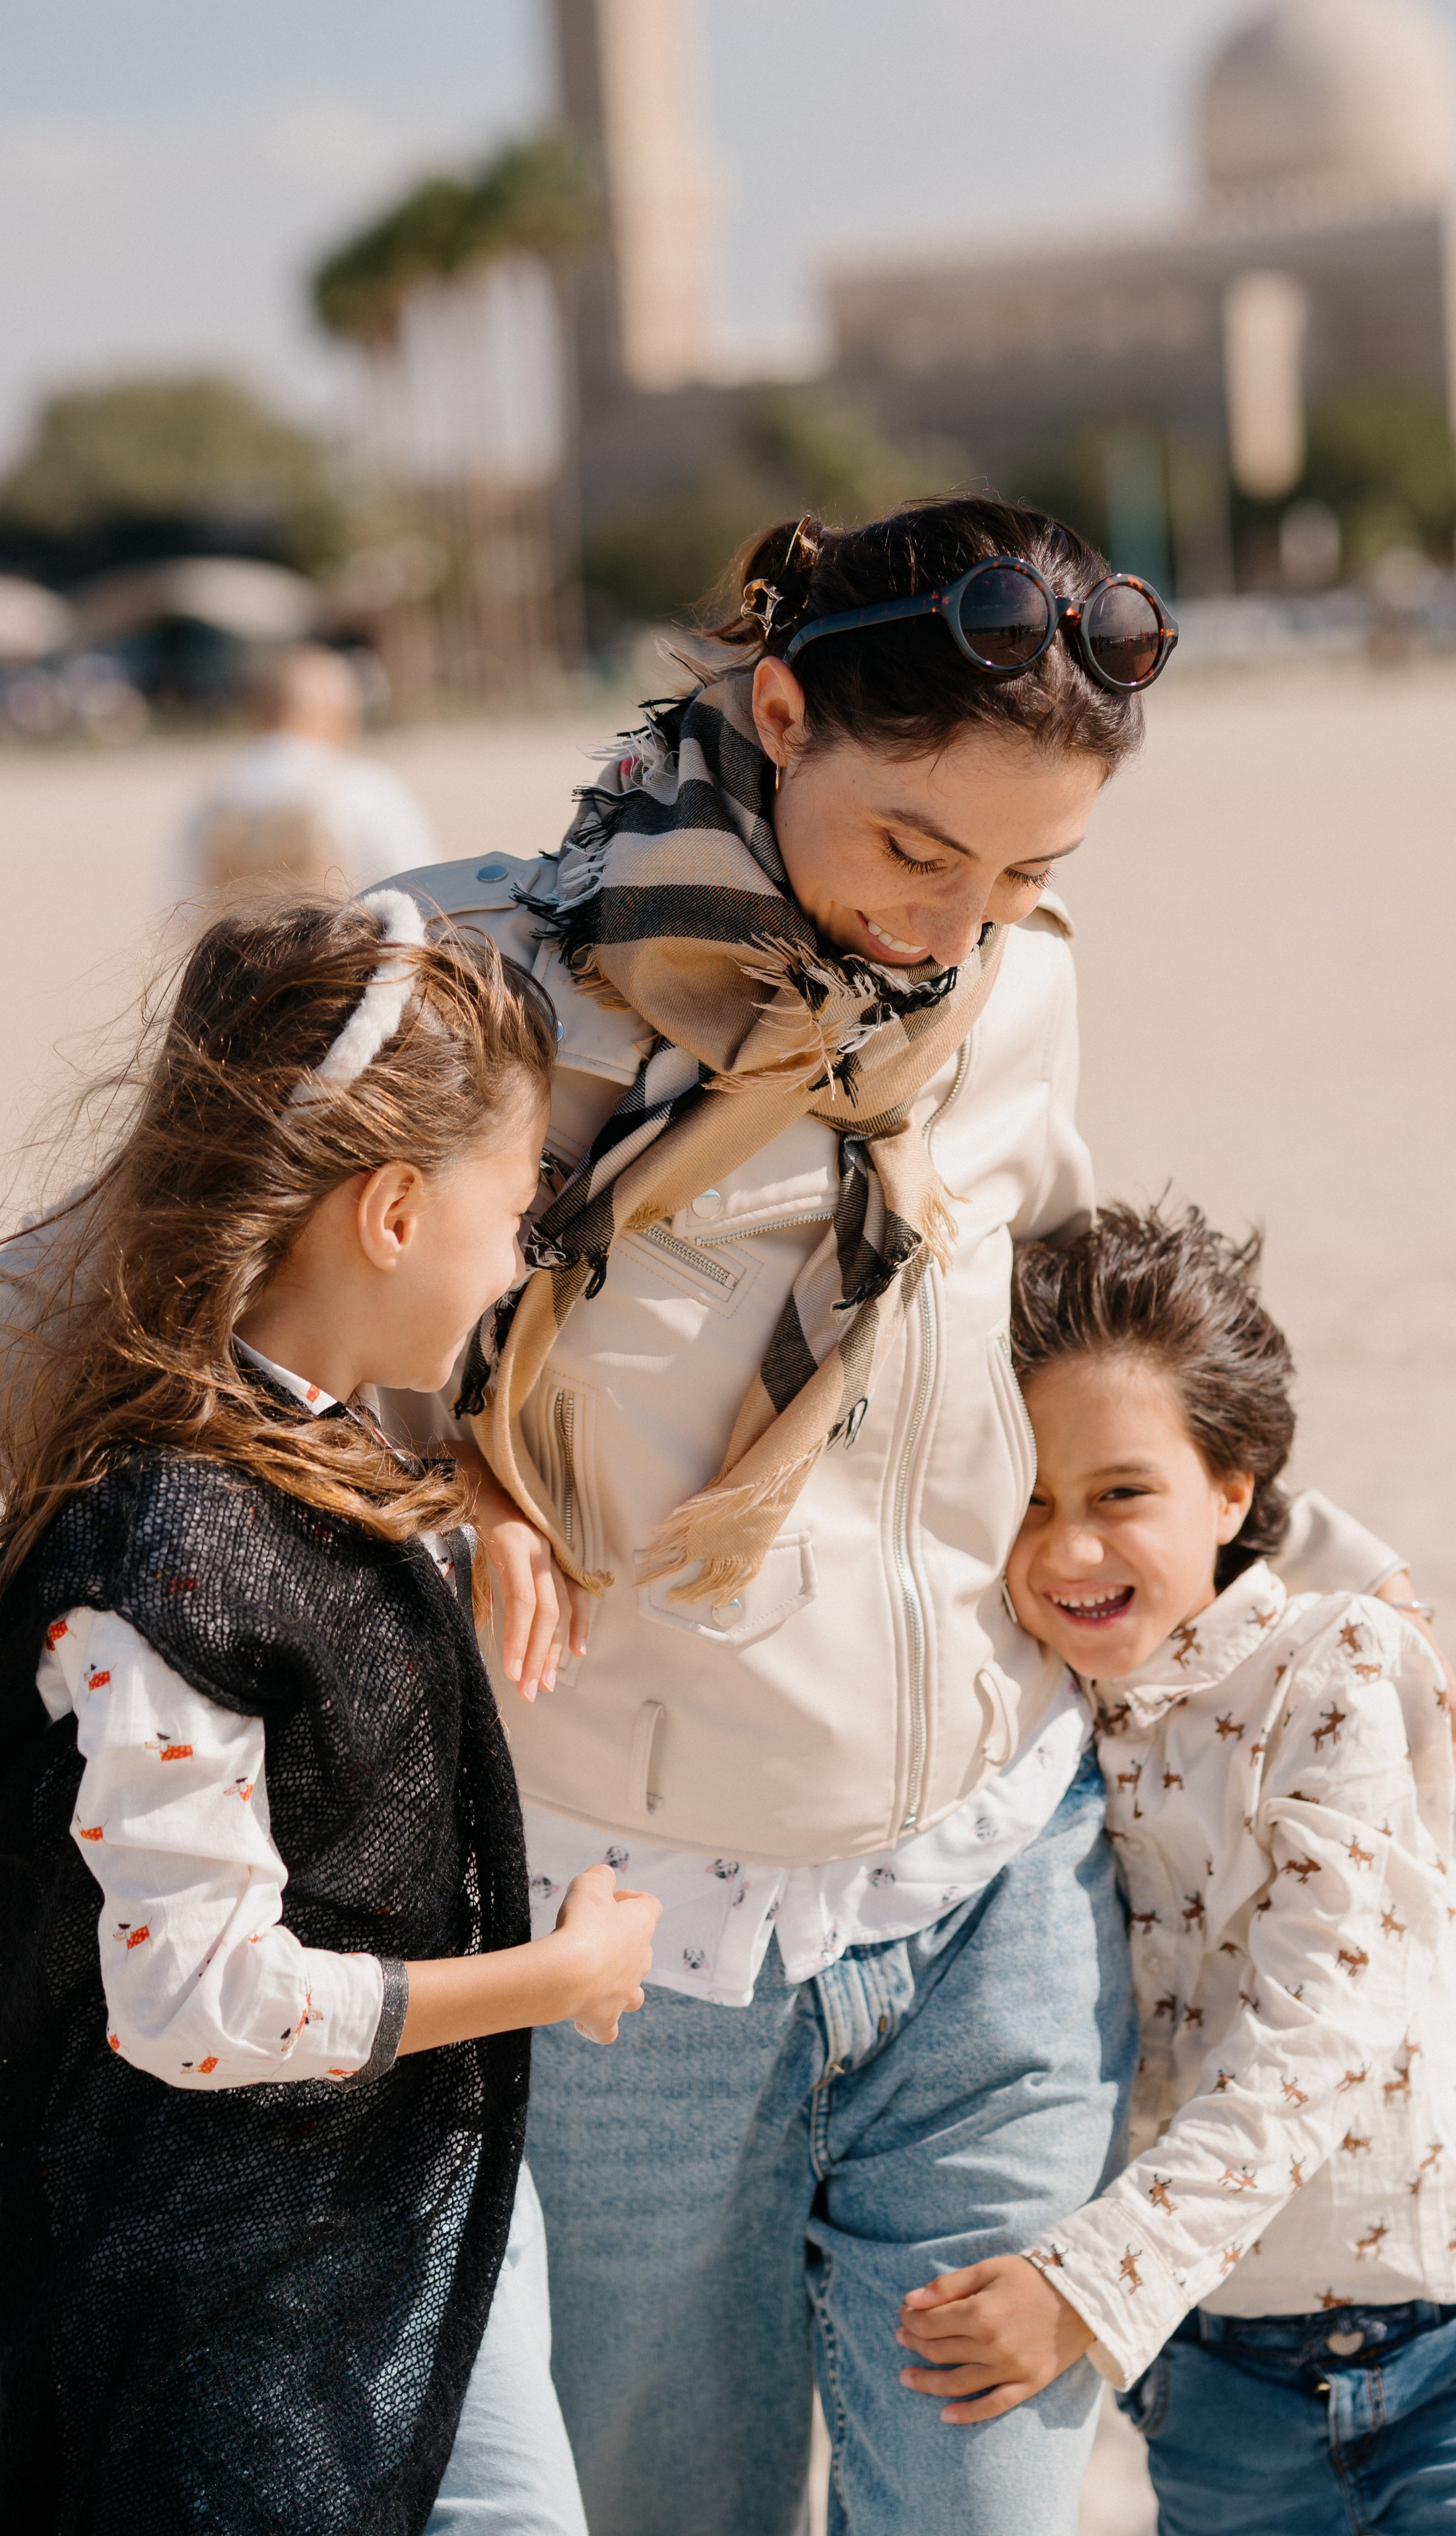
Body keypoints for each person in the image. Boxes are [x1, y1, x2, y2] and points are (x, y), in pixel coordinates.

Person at [376, 495, 1456, 2536]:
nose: (955, 925)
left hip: (992, 1889)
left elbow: (1074, 1331)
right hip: (629, 1956)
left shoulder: (1013, 993)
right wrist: (449, 1487)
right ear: (783, 712)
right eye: (915, 846)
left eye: (1029, 870)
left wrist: (1314, 1558)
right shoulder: (470, 986)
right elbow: (203, 1350)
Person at [0, 893, 659, 2535]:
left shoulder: (319, 1444)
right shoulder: (166, 1548)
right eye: (516, 1209)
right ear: (391, 1211)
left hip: (401, 2200)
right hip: (220, 2296)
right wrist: (553, 1979)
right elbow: (193, 1998)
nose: (518, 1258)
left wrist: (479, 1506)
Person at [895, 1204, 1456, 2535]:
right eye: (1028, 1503)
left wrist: (1087, 2285)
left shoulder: (1337, 1666)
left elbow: (1324, 2030)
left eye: (1120, 1495)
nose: (1067, 1549)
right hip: (1209, 2371)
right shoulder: (1041, 1702)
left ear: (1233, 1491)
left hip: (1449, 2336)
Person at [176, 644, 437, 903]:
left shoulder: (210, 796)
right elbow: (424, 896)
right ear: (335, 714)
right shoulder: (364, 787)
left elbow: (181, 904)